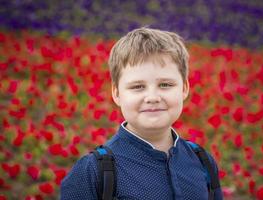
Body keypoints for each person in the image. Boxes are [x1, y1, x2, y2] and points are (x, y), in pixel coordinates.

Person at [60, 27, 223, 200]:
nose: (152, 97)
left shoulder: (202, 161)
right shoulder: (93, 172)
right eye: (137, 87)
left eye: (165, 85)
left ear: (184, 88)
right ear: (116, 93)